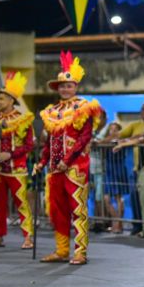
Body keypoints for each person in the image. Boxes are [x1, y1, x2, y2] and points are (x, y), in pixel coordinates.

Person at [34, 51, 103, 265]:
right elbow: (50, 142)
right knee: (57, 211)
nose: (65, 89)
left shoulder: (84, 107)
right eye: (62, 86)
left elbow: (85, 137)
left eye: (69, 85)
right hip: (55, 169)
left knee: (78, 210)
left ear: (76, 86)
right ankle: (61, 250)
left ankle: (80, 251)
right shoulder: (51, 111)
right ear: (58, 88)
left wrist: (68, 159)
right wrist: (42, 162)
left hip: (75, 168)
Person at [0, 71, 35, 249]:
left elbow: (29, 145)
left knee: (22, 203)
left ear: (12, 100)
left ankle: (28, 236)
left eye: (2, 99)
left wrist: (10, 154)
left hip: (17, 170)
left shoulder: (23, 119)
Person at [114, 102, 144, 237]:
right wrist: (123, 141)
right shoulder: (136, 125)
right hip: (137, 166)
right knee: (137, 198)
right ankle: (140, 226)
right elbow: (123, 136)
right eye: (143, 109)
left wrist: (126, 143)